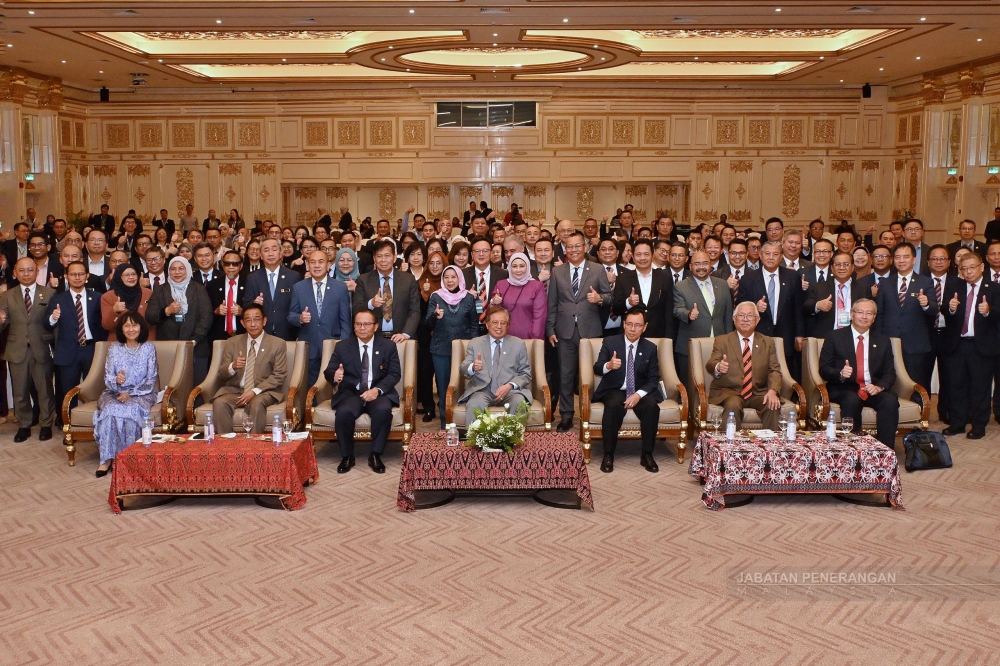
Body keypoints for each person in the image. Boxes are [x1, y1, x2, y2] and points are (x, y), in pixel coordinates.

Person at [546, 231, 613, 431]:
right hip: (564, 331)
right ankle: (566, 415)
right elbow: (552, 303)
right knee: (566, 376)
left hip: (590, 331)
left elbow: (610, 297)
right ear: (565, 249)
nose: (574, 250)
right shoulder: (557, 272)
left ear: (585, 248)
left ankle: (590, 413)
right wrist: (550, 328)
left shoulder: (597, 269)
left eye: (578, 246)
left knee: (590, 376)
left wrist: (600, 299)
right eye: (570, 246)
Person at [325, 308, 401, 474]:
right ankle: (347, 456)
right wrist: (335, 375)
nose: (362, 328)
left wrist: (377, 390)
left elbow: (395, 373)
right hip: (352, 392)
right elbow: (329, 370)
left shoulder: (388, 346)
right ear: (353, 327)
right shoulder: (342, 347)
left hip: (378, 392)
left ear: (375, 326)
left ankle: (375, 454)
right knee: (344, 412)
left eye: (366, 324)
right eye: (358, 324)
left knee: (383, 410)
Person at [818, 299, 900, 447]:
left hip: (872, 388)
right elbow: (824, 369)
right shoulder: (834, 337)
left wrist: (879, 387)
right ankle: (853, 450)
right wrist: (840, 373)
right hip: (845, 388)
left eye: (869, 313)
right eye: (860, 312)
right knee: (851, 400)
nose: (864, 316)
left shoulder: (883, 341)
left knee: (890, 401)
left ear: (874, 317)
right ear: (852, 314)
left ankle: (884, 452)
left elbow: (890, 373)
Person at [591, 308, 661, 474]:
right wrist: (608, 365)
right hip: (615, 389)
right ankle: (608, 454)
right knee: (613, 406)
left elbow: (653, 379)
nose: (632, 328)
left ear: (644, 327)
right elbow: (597, 368)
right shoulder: (610, 342)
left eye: (637, 325)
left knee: (651, 406)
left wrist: (638, 395)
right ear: (623, 324)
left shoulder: (650, 348)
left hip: (639, 390)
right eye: (629, 324)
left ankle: (647, 454)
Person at [91, 311, 157, 477]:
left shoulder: (149, 348)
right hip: (114, 393)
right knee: (110, 411)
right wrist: (117, 381)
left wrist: (132, 393)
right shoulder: (114, 349)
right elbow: (108, 377)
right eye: (127, 325)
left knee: (131, 410)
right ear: (121, 329)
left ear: (141, 328)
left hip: (142, 393)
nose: (131, 329)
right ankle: (106, 459)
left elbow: (151, 379)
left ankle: (128, 459)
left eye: (134, 325)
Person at [941, 252, 999, 439]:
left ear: (982, 267)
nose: (968, 272)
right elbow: (944, 309)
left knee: (980, 387)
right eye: (963, 268)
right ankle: (958, 423)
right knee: (956, 386)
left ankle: (978, 425)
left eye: (972, 267)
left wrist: (988, 311)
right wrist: (950, 307)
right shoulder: (953, 285)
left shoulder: (994, 288)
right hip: (957, 344)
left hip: (981, 346)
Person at [873, 242, 937, 406]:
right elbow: (879, 313)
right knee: (889, 381)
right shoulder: (886, 283)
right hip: (889, 342)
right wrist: (879, 341)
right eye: (897, 257)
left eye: (906, 257)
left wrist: (926, 303)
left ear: (914, 259)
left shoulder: (926, 282)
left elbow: (933, 310)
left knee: (917, 382)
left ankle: (919, 420)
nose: (901, 260)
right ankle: (894, 415)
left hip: (915, 343)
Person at [0, 258, 56, 442]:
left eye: (30, 270)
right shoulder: (7, 296)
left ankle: (46, 424)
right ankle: (24, 425)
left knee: (45, 389)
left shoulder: (49, 294)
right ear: (15, 272)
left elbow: (54, 323)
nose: (26, 273)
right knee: (20, 390)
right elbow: (2, 323)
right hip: (17, 350)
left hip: (41, 348)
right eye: (21, 270)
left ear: (37, 272)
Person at [45, 260, 107, 424]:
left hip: (92, 350)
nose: (77, 277)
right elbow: (46, 323)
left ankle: (93, 425)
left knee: (93, 392)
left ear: (87, 276)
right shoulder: (58, 299)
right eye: (73, 274)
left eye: (81, 274)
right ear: (66, 276)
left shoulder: (98, 298)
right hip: (68, 352)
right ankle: (70, 427)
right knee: (69, 392)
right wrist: (53, 318)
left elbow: (104, 325)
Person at [209, 304, 287, 435]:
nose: (253, 324)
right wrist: (232, 367)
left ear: (264, 321)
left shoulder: (277, 343)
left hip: (264, 392)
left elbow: (279, 375)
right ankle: (226, 447)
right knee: (220, 402)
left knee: (257, 403)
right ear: (242, 323)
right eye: (248, 320)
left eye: (257, 319)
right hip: (236, 391)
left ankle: (254, 448)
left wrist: (254, 391)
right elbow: (222, 374)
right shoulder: (232, 342)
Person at [706, 301, 783, 431]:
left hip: (758, 392)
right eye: (741, 315)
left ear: (757, 320)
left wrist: (772, 391)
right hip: (730, 392)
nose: (745, 319)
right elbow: (711, 363)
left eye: (749, 316)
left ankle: (770, 448)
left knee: (772, 404)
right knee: (733, 405)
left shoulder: (767, 342)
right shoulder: (722, 340)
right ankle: (730, 447)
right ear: (734, 319)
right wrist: (718, 367)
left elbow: (774, 370)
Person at [736, 240, 805, 380]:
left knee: (786, 370)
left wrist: (799, 334)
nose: (771, 257)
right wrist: (755, 306)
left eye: (775, 254)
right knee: (759, 370)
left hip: (786, 332)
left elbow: (799, 307)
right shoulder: (748, 278)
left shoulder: (792, 276)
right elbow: (739, 304)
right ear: (760, 255)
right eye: (767, 254)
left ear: (781, 257)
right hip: (758, 332)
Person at [458, 305, 532, 426]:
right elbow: (463, 369)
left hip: (510, 392)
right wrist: (472, 367)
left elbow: (525, 373)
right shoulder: (475, 343)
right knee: (474, 404)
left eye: (503, 323)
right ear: (487, 324)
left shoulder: (518, 344)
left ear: (508, 326)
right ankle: (475, 443)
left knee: (519, 403)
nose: (499, 326)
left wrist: (509, 386)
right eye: (495, 322)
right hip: (482, 390)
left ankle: (514, 442)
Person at [425, 265, 478, 429]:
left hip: (464, 350)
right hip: (441, 349)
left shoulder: (468, 297)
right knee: (443, 387)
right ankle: (445, 424)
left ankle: (467, 424)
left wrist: (474, 348)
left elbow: (474, 325)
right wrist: (435, 316)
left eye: (453, 277)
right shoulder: (435, 297)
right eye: (446, 277)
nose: (450, 280)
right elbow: (427, 324)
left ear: (460, 278)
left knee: (466, 386)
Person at [288, 250, 352, 386]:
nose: (316, 266)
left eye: (321, 262)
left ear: (328, 265)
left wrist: (344, 346)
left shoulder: (340, 288)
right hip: (309, 345)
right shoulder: (299, 288)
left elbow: (345, 321)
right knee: (310, 385)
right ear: (307, 265)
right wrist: (300, 318)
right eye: (312, 262)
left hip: (333, 345)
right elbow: (290, 316)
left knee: (334, 385)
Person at [146, 256, 213, 385]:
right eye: (173, 269)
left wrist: (194, 340)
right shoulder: (160, 290)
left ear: (188, 270)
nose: (177, 272)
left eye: (181, 268)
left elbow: (206, 317)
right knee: (169, 386)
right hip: (168, 348)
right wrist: (167, 311)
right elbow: (150, 316)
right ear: (168, 271)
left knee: (195, 388)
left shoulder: (199, 289)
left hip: (196, 347)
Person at [673, 250, 735, 386]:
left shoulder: (723, 284)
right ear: (690, 266)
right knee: (691, 385)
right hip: (691, 344)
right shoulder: (681, 286)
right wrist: (689, 314)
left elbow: (727, 315)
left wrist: (730, 342)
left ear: (711, 265)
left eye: (705, 263)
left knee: (717, 384)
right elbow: (677, 309)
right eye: (697, 264)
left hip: (718, 344)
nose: (701, 267)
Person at [353, 239, 421, 343]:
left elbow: (414, 310)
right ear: (374, 258)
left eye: (387, 256)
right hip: (373, 339)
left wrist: (405, 334)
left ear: (394, 258)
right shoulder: (363, 280)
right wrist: (371, 303)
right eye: (379, 256)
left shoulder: (408, 280)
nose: (383, 260)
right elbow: (356, 309)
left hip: (401, 338)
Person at [926, 245, 962, 425]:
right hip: (926, 334)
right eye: (934, 259)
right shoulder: (920, 281)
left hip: (949, 335)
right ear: (928, 262)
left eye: (942, 259)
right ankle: (921, 412)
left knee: (948, 375)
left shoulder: (958, 283)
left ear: (949, 262)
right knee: (922, 375)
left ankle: (945, 411)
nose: (938, 262)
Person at [244, 238, 302, 341]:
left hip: (288, 334)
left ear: (281, 253)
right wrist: (254, 303)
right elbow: (246, 306)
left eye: (274, 249)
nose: (270, 254)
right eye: (266, 250)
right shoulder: (252, 278)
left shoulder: (294, 277)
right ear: (261, 255)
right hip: (261, 335)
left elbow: (298, 308)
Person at [612, 239, 672, 339]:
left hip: (658, 335)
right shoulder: (623, 278)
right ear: (633, 257)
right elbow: (616, 309)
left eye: (646, 254)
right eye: (639, 254)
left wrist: (669, 337)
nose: (642, 258)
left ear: (652, 256)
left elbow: (669, 310)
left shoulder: (664, 277)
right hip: (631, 336)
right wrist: (628, 303)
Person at [802, 252, 870, 339]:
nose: (842, 268)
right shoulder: (819, 287)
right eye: (838, 264)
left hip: (855, 337)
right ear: (832, 268)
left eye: (846, 264)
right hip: (827, 337)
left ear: (853, 267)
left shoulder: (863, 289)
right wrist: (818, 305)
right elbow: (806, 308)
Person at [490, 252, 546, 340]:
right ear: (509, 268)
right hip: (503, 337)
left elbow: (539, 316)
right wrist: (493, 303)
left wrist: (535, 339)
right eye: (514, 266)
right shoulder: (501, 284)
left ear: (527, 267)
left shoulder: (536, 286)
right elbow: (492, 314)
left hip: (528, 338)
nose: (518, 270)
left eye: (522, 266)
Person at [101, 264, 154, 336]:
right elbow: (107, 326)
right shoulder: (108, 296)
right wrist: (114, 311)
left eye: (133, 274)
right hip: (119, 343)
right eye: (126, 275)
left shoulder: (148, 293)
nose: (131, 277)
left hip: (146, 341)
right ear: (118, 277)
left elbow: (154, 321)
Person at [207, 250, 246, 342]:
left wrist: (243, 312)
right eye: (227, 263)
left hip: (242, 335)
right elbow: (205, 312)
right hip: (218, 336)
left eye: (235, 264)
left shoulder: (249, 283)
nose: (231, 267)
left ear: (241, 266)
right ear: (222, 265)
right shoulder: (212, 285)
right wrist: (216, 311)